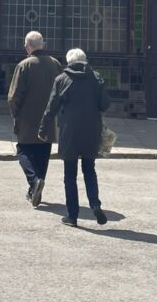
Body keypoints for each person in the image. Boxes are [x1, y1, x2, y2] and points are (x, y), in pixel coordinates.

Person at [39, 48, 110, 227]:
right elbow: (105, 104)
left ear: (69, 62)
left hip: (69, 131)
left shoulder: (62, 79)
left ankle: (73, 215)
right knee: (89, 169)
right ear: (85, 60)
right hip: (91, 130)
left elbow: (51, 107)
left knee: (70, 174)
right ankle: (95, 204)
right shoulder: (96, 77)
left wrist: (43, 129)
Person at [8, 30, 62, 207]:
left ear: (27, 47)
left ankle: (34, 181)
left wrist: (16, 114)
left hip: (28, 118)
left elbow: (13, 97)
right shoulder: (55, 64)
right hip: (49, 118)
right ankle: (36, 187)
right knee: (43, 153)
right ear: (43, 45)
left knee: (23, 150)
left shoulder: (25, 65)